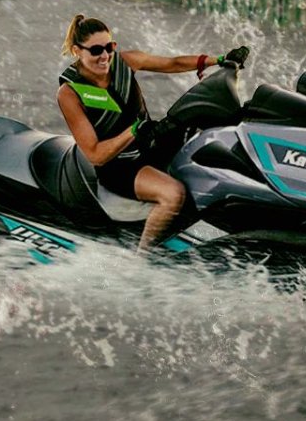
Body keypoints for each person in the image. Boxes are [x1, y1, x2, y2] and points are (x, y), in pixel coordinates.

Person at [56, 14, 248, 247]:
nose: (105, 56)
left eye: (109, 47)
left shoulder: (125, 62)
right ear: (77, 51)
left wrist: (219, 59)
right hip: (120, 166)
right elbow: (95, 154)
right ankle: (143, 258)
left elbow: (173, 63)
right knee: (173, 195)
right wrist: (134, 130)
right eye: (96, 50)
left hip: (150, 142)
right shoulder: (70, 93)